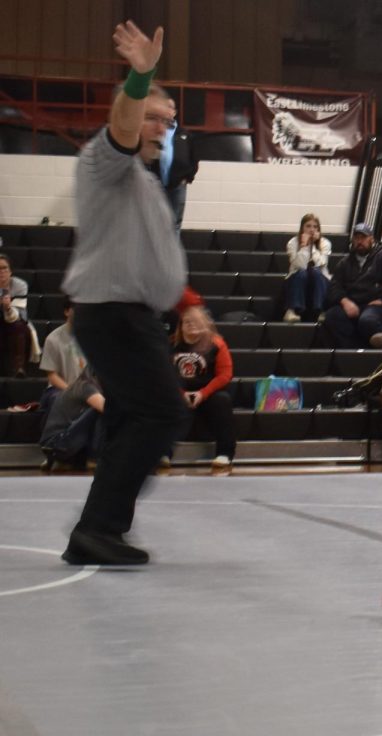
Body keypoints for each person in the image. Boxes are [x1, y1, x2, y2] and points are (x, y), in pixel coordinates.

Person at [59, 21, 188, 565]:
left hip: (126, 314)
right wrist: (141, 78)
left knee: (132, 418)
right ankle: (97, 529)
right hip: (114, 312)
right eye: (156, 117)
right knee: (162, 414)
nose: (163, 128)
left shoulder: (142, 180)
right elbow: (123, 129)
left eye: (170, 121)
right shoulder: (105, 162)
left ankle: (102, 530)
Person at [167, 305, 235, 470]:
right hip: (179, 393)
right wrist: (181, 394)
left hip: (208, 393)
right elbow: (164, 374)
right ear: (181, 326)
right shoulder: (170, 345)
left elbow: (225, 374)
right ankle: (163, 454)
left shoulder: (217, 344)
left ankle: (224, 454)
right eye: (187, 322)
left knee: (223, 400)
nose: (191, 324)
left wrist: (202, 394)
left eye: (196, 321)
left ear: (205, 324)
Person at [323, 223, 382, 349]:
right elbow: (334, 286)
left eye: (363, 237)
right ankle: (354, 353)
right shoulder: (345, 263)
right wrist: (344, 301)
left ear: (371, 239)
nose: (360, 241)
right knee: (332, 316)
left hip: (378, 308)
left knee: (367, 320)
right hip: (353, 305)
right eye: (357, 238)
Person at [37, 299, 87, 417]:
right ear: (67, 311)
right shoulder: (53, 339)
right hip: (59, 388)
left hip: (86, 389)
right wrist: (71, 391)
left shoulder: (91, 337)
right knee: (59, 400)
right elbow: (52, 375)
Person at [158, 94, 198, 232]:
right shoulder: (155, 131)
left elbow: (194, 158)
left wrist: (188, 178)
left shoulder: (185, 134)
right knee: (155, 221)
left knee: (174, 223)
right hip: (156, 185)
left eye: (170, 107)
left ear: (174, 112)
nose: (167, 110)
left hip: (178, 186)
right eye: (164, 107)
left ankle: (171, 252)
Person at [283, 213, 332, 323]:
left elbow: (321, 263)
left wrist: (313, 245)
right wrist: (305, 246)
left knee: (316, 271)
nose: (312, 230)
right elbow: (300, 264)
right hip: (298, 277)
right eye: (308, 226)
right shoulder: (293, 243)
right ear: (302, 228)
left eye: (315, 227)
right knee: (302, 272)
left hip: (319, 277)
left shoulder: (325, 243)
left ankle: (321, 310)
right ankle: (292, 310)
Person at [0, 253, 31, 377]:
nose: (1, 271)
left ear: (10, 271)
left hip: (14, 320)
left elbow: (19, 314)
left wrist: (7, 308)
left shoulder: (20, 285)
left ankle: (19, 368)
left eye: (4, 268)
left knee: (19, 326)